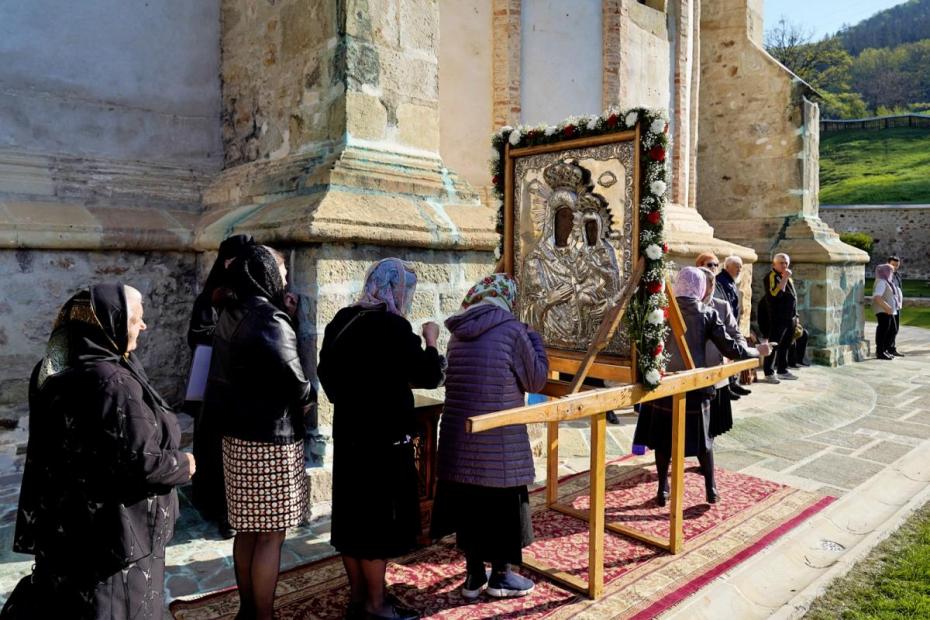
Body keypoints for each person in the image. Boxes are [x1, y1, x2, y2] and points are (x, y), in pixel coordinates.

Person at [2, 284, 194, 619]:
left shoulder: (51, 368)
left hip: (65, 527)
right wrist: (183, 463)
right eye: (135, 320)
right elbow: (142, 462)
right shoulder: (114, 383)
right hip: (112, 540)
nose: (143, 326)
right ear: (109, 323)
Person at [318, 258, 446, 620]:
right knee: (376, 523)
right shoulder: (393, 327)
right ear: (396, 290)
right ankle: (376, 605)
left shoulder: (342, 320)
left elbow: (326, 377)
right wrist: (431, 342)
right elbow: (429, 376)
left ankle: (359, 599)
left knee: (352, 520)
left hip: (350, 437)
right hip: (384, 441)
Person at [204, 245, 315, 620]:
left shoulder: (232, 310)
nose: (285, 277)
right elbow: (296, 381)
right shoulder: (268, 318)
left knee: (247, 530)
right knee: (270, 534)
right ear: (265, 273)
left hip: (237, 436)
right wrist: (308, 398)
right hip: (269, 440)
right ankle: (263, 615)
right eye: (281, 271)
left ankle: (247, 612)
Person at [430, 274, 548, 600]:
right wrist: (535, 339)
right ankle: (501, 576)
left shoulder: (458, 332)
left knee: (470, 506)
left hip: (461, 440)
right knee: (500, 508)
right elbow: (536, 380)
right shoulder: (513, 331)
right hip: (499, 440)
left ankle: (473, 576)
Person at [633, 268, 770, 505]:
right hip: (695, 385)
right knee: (704, 441)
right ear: (699, 286)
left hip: (663, 384)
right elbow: (731, 349)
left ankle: (662, 489)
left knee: (664, 440)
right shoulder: (706, 313)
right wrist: (756, 351)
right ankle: (711, 489)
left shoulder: (661, 309)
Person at [187, 233, 255, 538]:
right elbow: (198, 334)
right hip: (215, 386)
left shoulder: (250, 296)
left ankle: (235, 508)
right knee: (215, 447)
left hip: (241, 386)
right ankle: (217, 508)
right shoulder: (209, 298)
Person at [700, 267, 744, 436]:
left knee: (713, 425)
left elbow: (736, 334)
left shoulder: (721, 306)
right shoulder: (683, 306)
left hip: (717, 373)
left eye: (709, 283)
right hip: (692, 373)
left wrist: (735, 351)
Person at [716, 255, 752, 397]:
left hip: (732, 324)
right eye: (737, 266)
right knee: (726, 355)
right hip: (724, 324)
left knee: (731, 355)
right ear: (727, 266)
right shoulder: (720, 281)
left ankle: (733, 383)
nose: (740, 269)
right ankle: (727, 387)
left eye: (741, 267)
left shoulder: (730, 281)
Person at [760, 253, 799, 384]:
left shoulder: (787, 277)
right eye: (781, 263)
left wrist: (796, 315)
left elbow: (793, 297)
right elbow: (775, 294)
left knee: (786, 344)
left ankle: (782, 370)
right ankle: (769, 372)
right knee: (774, 345)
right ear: (774, 264)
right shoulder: (771, 276)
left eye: (786, 263)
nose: (784, 265)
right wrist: (785, 278)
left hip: (790, 317)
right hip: (778, 317)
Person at [872, 263, 900, 361]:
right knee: (883, 330)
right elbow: (877, 297)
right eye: (891, 271)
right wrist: (887, 307)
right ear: (886, 272)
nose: (892, 273)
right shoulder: (881, 282)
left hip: (888, 311)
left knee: (892, 329)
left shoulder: (886, 281)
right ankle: (880, 352)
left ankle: (884, 350)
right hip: (883, 310)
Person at [888, 256, 905, 357]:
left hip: (897, 305)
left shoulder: (897, 275)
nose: (895, 267)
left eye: (897, 265)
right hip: (889, 306)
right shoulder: (886, 275)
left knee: (896, 328)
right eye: (893, 264)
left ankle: (892, 349)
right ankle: (886, 349)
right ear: (888, 263)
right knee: (891, 328)